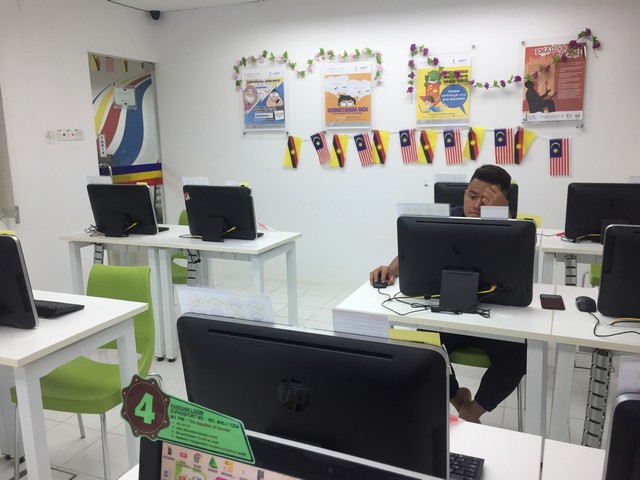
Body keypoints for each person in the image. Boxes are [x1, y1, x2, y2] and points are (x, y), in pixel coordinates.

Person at [369, 164, 527, 424]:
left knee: (519, 356)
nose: (475, 204)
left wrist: (501, 215)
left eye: (486, 200)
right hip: (449, 312)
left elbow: (520, 263)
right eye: (471, 195)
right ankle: (456, 397)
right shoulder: (446, 218)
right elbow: (415, 247)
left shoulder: (513, 227)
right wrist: (390, 269)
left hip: (493, 318)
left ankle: (471, 412)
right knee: (421, 347)